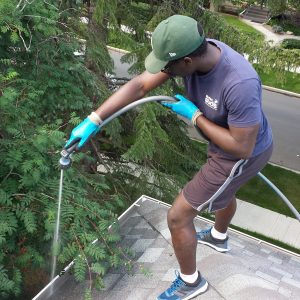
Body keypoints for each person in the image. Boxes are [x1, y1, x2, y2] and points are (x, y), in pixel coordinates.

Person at [65, 14, 273, 300]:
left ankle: (191, 283)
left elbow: (241, 147)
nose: (162, 70)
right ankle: (218, 237)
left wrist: (196, 116)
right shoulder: (197, 51)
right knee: (224, 192)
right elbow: (140, 85)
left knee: (177, 217)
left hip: (239, 155)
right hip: (226, 143)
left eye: (166, 66)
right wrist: (94, 119)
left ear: (186, 62)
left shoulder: (240, 83)